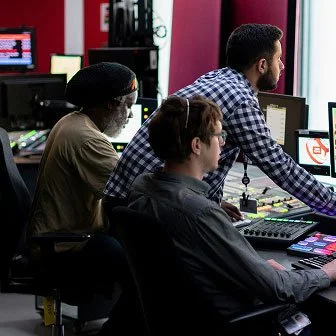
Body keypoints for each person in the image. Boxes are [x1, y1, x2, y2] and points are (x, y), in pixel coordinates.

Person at [127, 95, 336, 334]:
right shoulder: (199, 212)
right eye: (219, 136)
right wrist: (327, 271)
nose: (223, 144)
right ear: (197, 145)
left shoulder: (142, 187)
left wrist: (252, 267)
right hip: (234, 322)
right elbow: (278, 288)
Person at [104, 23, 336, 218]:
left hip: (123, 201)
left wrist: (213, 202)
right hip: (150, 209)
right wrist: (332, 205)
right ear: (262, 65)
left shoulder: (215, 77)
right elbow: (279, 166)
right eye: (278, 59)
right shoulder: (241, 99)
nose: (282, 66)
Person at [27, 62, 144, 335]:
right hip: (66, 248)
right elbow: (131, 188)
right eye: (127, 105)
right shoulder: (87, 138)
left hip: (59, 240)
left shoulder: (72, 123)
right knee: (146, 270)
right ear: (109, 105)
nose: (129, 114)